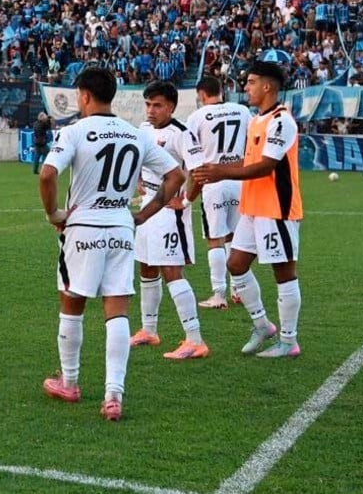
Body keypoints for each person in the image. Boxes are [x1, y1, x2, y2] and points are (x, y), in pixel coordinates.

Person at [38, 67, 184, 421]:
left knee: (72, 303)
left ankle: (69, 383)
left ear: (84, 95)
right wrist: (145, 214)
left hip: (84, 226)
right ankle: (113, 395)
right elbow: (176, 175)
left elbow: (47, 174)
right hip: (121, 225)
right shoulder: (136, 134)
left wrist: (54, 214)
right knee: (116, 310)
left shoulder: (73, 131)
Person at [193, 61, 303, 358]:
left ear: (267, 86)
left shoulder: (282, 121)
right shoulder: (256, 120)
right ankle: (262, 325)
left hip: (276, 209)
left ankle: (289, 340)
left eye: (251, 82)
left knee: (283, 272)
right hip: (253, 207)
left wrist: (221, 173)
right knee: (236, 265)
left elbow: (267, 165)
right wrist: (217, 169)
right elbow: (247, 161)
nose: (246, 87)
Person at [130, 81, 209, 359]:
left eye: (158, 105)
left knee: (172, 271)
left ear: (171, 107)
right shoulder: (143, 129)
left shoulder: (182, 134)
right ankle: (149, 330)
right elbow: (138, 160)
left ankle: (195, 339)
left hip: (169, 212)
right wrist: (138, 180)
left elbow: (199, 172)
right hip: (148, 205)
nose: (151, 110)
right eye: (148, 104)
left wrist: (186, 200)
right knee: (147, 267)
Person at [185, 75, 252, 308]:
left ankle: (218, 294)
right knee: (234, 236)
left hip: (213, 182)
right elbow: (253, 143)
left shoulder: (195, 118)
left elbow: (194, 164)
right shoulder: (242, 111)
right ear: (221, 90)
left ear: (201, 94)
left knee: (215, 239)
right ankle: (239, 290)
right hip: (239, 179)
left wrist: (188, 197)